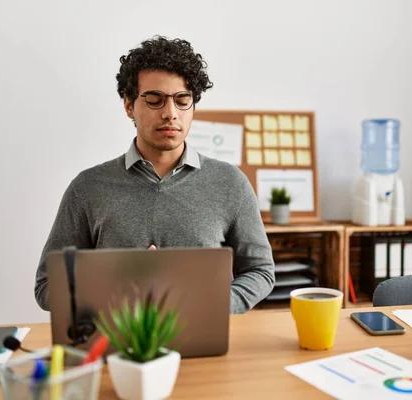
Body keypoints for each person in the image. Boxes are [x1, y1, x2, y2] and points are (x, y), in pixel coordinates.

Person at [34, 36, 275, 314]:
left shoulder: (230, 183)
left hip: (205, 341)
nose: (170, 113)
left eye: (182, 100)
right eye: (154, 99)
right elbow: (47, 285)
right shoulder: (87, 188)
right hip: (118, 346)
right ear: (128, 106)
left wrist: (212, 306)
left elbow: (260, 271)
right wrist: (116, 293)